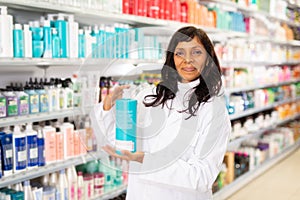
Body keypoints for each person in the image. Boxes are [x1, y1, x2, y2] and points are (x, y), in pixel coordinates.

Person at [90, 26, 231, 200]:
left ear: (208, 59)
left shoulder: (213, 110)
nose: (188, 60)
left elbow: (202, 177)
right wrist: (107, 109)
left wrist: (145, 160)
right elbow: (120, 142)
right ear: (172, 58)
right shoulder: (150, 97)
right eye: (180, 53)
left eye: (196, 52)